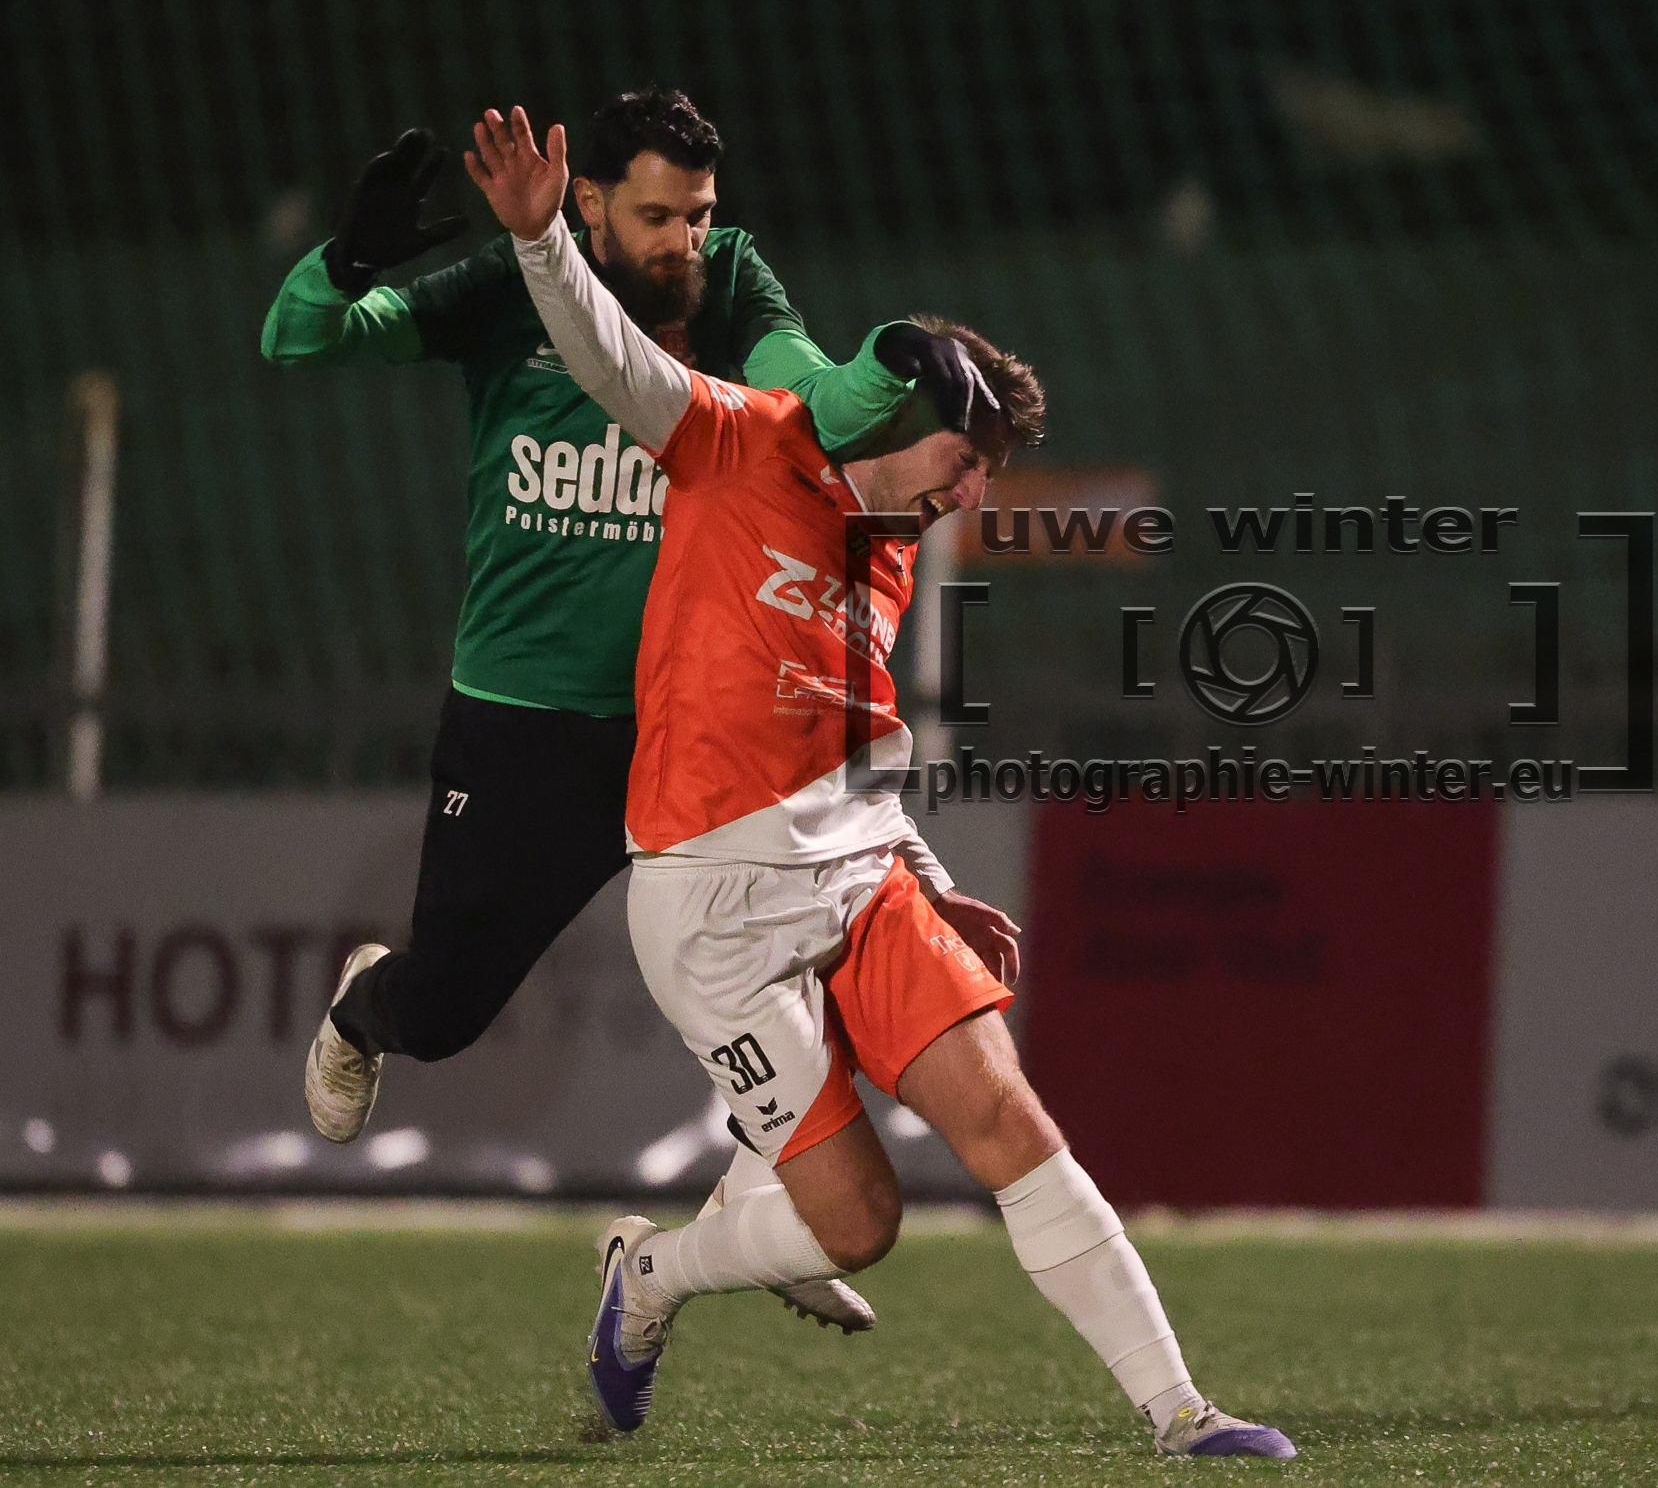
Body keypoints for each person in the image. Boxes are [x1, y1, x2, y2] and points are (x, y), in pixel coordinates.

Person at [467, 105, 1295, 1460]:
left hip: (862, 880)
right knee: (860, 1223)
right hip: (709, 908)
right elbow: (609, 355)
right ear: (902, 423)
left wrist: (926, 878)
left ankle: (1181, 1411)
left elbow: (854, 753)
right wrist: (539, 241)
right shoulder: (737, 443)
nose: (970, 493)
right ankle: (652, 1274)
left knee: (1008, 1115)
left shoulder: (891, 551)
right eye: (965, 461)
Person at [262, 88, 887, 1332]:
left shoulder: (727, 281)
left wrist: (885, 386)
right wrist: (348, 260)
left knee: (820, 956)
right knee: (443, 1013)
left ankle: (771, 1204)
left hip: (692, 718)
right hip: (528, 720)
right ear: (588, 203)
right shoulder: (510, 283)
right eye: (658, 216)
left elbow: (807, 391)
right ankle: (367, 1005)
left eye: (698, 214)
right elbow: (299, 340)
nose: (683, 241)